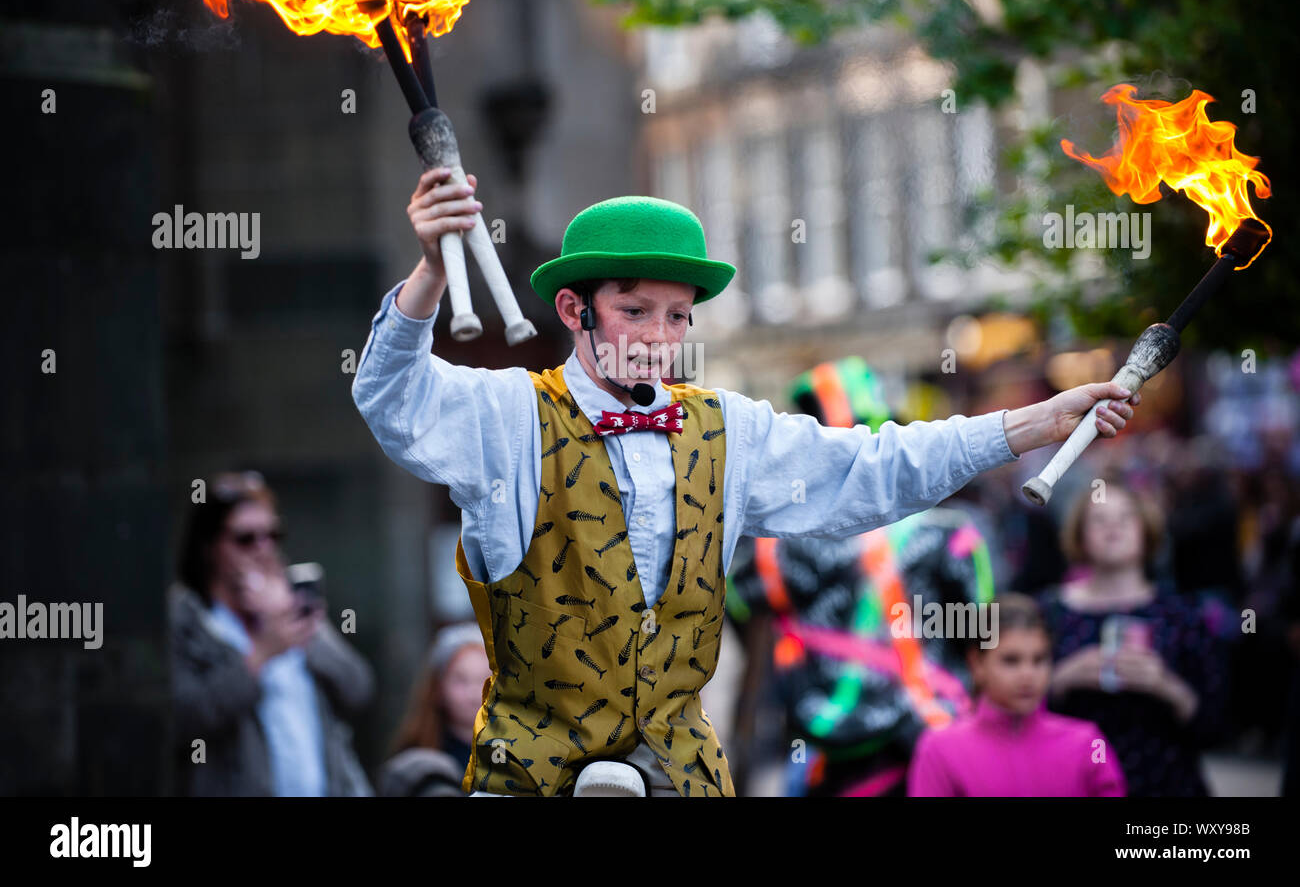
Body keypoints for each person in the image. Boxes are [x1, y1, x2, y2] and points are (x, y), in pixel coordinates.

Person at [350, 166, 1142, 797]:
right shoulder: (506, 416)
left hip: (683, 777)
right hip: (530, 779)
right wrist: (429, 270)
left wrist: (1035, 422)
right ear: (573, 308)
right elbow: (392, 397)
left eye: (678, 315)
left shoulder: (730, 428)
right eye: (636, 310)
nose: (662, 338)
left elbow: (875, 468)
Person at [725, 357, 995, 796]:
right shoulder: (952, 534)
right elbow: (983, 641)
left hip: (828, 742)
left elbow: (753, 656)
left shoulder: (773, 546)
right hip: (938, 735)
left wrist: (739, 765)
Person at [169, 470, 375, 796]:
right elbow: (184, 718)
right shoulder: (189, 620)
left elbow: (357, 687)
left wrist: (301, 623)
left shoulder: (287, 602)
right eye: (245, 538)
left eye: (273, 535)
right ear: (209, 546)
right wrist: (262, 654)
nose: (263, 549)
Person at [1037, 475, 1229, 796]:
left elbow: (1218, 724)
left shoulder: (1182, 615)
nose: (1114, 527)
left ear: (1147, 531)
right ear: (1080, 535)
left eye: (1126, 517)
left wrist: (1165, 686)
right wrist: (1062, 679)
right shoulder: (1049, 612)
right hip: (1070, 783)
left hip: (1165, 786)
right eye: (1099, 519)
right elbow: (1008, 708)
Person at [907, 593, 1126, 796]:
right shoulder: (939, 750)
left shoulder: (1090, 744)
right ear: (977, 664)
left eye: (1039, 660)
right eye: (1011, 660)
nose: (1027, 674)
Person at [378, 622, 491, 796]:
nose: (473, 692)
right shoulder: (414, 762)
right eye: (461, 680)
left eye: (484, 680)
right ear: (438, 687)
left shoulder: (515, 755)